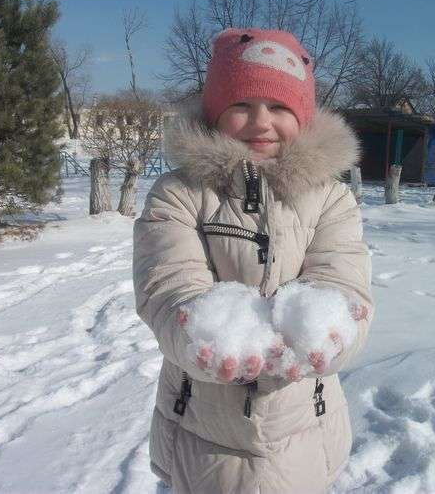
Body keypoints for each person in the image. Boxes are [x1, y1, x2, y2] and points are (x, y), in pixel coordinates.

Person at [133, 27, 373, 494]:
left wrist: (334, 326)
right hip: (204, 430)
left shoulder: (331, 198)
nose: (261, 122)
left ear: (302, 117)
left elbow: (341, 274)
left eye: (280, 106)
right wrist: (198, 329)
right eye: (241, 105)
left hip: (303, 424)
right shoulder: (180, 194)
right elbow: (167, 283)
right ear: (215, 111)